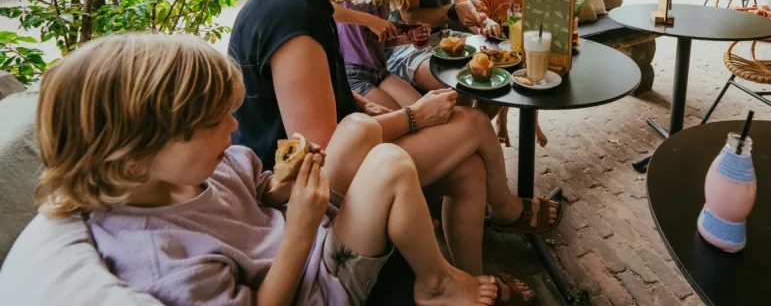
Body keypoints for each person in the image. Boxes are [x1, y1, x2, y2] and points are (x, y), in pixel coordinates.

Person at [228, 0, 557, 294]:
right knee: (473, 123)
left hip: (341, 150)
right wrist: (413, 117)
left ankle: (469, 282)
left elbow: (324, 92)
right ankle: (507, 212)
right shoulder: (295, 10)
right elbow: (323, 149)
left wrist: (365, 104)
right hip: (301, 188)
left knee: (470, 171)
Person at [34, 33, 500, 306]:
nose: (234, 128)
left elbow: (257, 191)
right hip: (314, 281)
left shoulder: (201, 170)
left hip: (306, 231)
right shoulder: (164, 259)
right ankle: (436, 282)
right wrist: (298, 229)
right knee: (389, 164)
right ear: (136, 155)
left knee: (357, 128)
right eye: (215, 122)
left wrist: (281, 185)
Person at [334, 0, 429, 112]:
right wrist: (371, 20)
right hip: (352, 72)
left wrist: (402, 39)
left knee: (424, 108)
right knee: (403, 118)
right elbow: (322, 4)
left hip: (379, 70)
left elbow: (370, 41)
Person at [476, 0, 547, 149]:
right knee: (503, 86)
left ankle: (534, 123)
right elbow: (480, 21)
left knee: (531, 79)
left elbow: (528, 19)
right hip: (496, 48)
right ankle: (501, 119)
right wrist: (486, 26)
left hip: (516, 46)